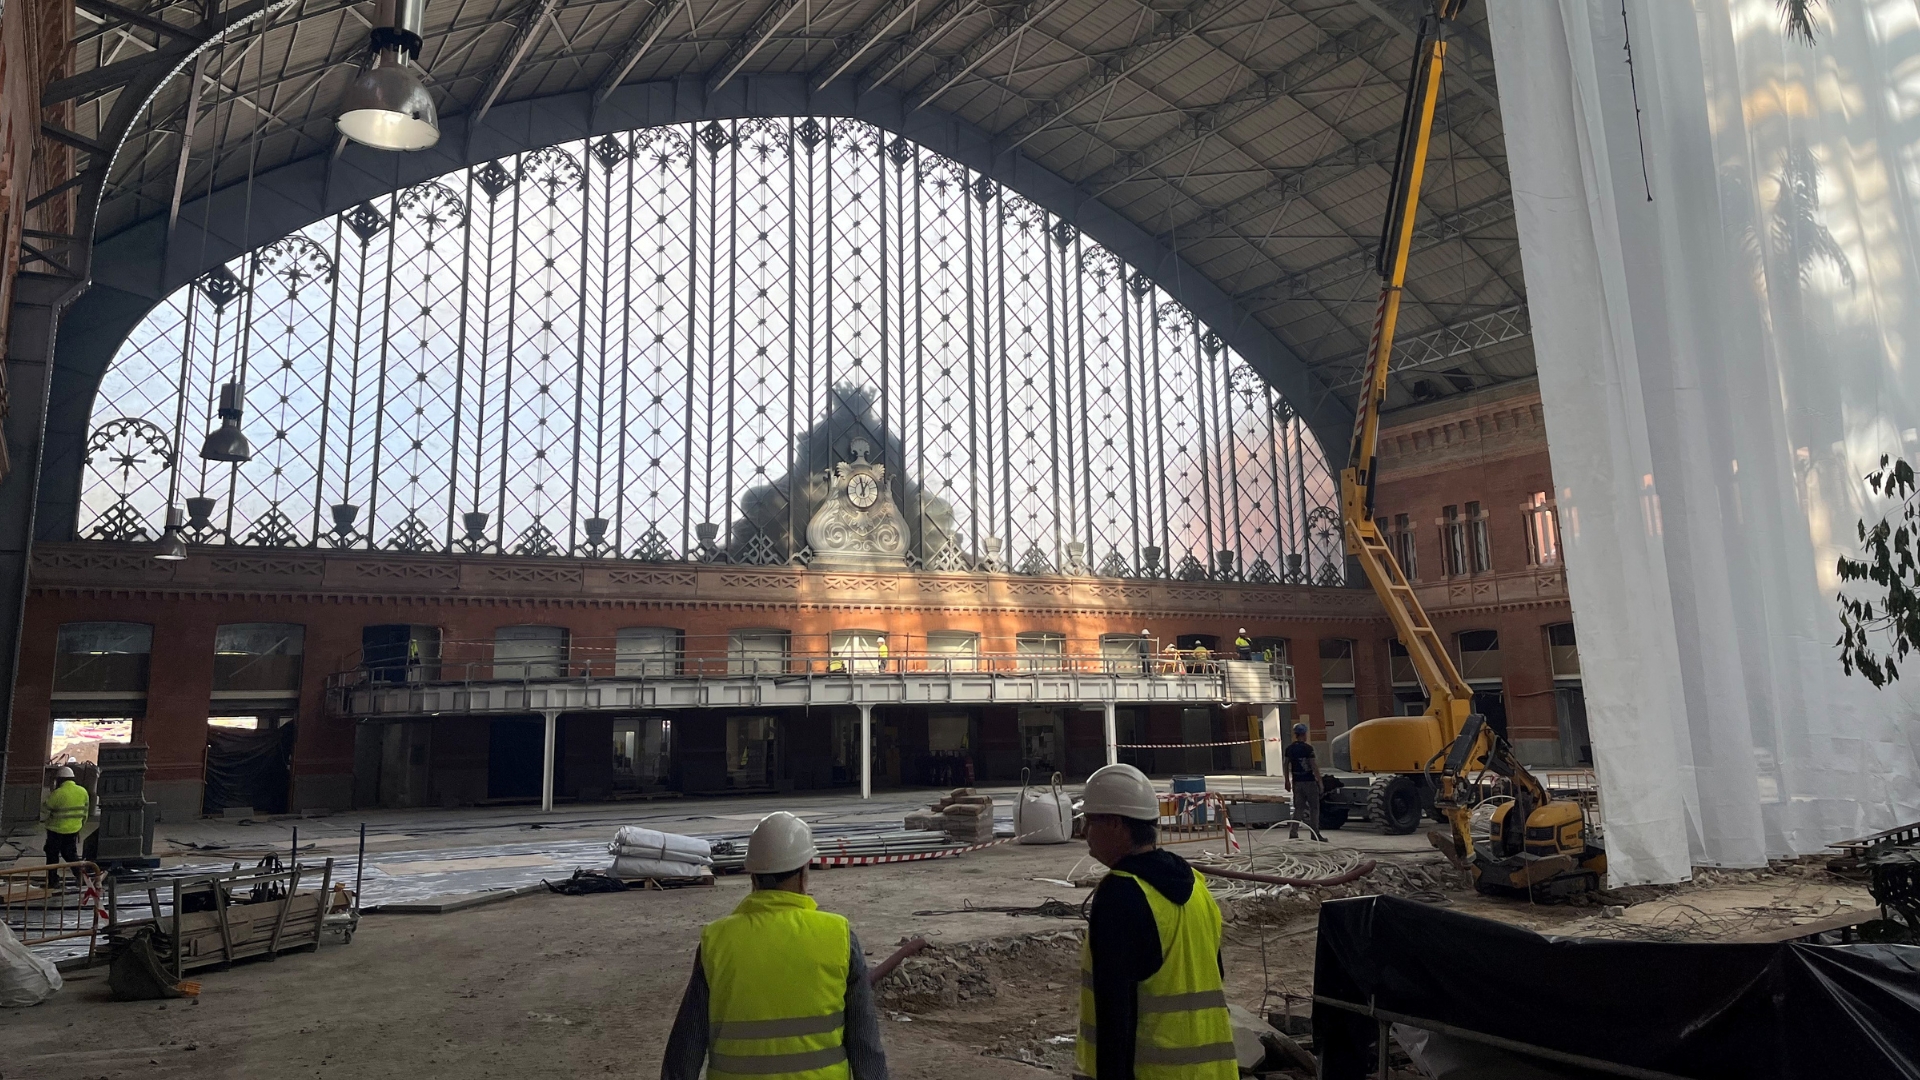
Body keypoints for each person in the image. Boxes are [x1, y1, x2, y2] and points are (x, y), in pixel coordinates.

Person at [662, 812, 888, 1080]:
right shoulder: (838, 937)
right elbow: (866, 1048)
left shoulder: (717, 942)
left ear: (753, 877)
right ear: (804, 874)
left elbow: (685, 1053)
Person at [1077, 763, 1236, 1080]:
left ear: (1116, 824)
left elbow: (1114, 1013)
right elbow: (1213, 973)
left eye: (1090, 821)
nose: (1084, 833)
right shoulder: (1197, 885)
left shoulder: (1120, 894)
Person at [41, 766, 89, 888]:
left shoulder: (58, 793)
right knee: (70, 854)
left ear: (60, 780)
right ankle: (80, 876)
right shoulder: (83, 791)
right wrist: (79, 826)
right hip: (74, 829)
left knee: (52, 855)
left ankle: (53, 881)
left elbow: (45, 809)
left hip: (56, 829)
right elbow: (85, 812)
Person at [1283, 723, 1321, 833]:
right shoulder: (1308, 749)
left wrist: (1287, 781)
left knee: (1299, 808)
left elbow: (1286, 765)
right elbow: (1313, 766)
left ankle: (1293, 833)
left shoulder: (1289, 749)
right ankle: (1315, 833)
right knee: (1314, 808)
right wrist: (1320, 781)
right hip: (1309, 782)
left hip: (1297, 782)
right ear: (1304, 734)